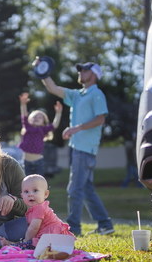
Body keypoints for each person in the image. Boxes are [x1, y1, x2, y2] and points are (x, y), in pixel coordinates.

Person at [39, 60, 114, 236]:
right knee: (86, 189)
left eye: (84, 70)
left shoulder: (96, 94)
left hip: (85, 149)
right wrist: (42, 71)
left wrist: (76, 128)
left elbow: (100, 119)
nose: (80, 72)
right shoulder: (78, 94)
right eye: (79, 70)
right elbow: (53, 88)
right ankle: (105, 224)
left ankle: (74, 228)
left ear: (94, 74)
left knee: (74, 189)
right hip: (76, 148)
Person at [0, 174, 74, 249]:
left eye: (35, 190)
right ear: (22, 196)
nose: (30, 194)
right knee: (30, 243)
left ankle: (14, 245)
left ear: (45, 194)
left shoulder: (40, 208)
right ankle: (14, 244)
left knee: (29, 244)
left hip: (54, 237)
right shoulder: (34, 209)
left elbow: (33, 228)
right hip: (50, 238)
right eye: (26, 192)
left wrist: (26, 240)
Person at [17, 92, 62, 176]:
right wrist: (23, 104)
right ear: (30, 119)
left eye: (39, 117)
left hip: (38, 162)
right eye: (34, 117)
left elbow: (54, 125)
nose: (36, 118)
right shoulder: (27, 127)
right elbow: (24, 115)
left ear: (43, 122)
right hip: (25, 161)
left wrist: (58, 113)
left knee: (38, 183)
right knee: (25, 183)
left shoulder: (43, 129)